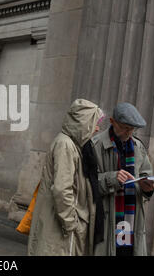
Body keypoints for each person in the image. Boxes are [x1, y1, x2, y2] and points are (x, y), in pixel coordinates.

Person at [28, 99, 104, 256]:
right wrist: (71, 224)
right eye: (94, 122)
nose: (97, 128)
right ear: (84, 122)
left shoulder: (74, 144)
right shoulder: (66, 145)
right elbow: (62, 189)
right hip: (60, 226)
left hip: (63, 224)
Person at [90, 102, 154, 256]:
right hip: (107, 218)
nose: (129, 133)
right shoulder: (96, 145)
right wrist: (113, 178)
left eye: (132, 129)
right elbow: (86, 184)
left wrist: (148, 188)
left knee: (126, 252)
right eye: (125, 127)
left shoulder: (138, 147)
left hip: (131, 218)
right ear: (112, 122)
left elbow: (146, 174)